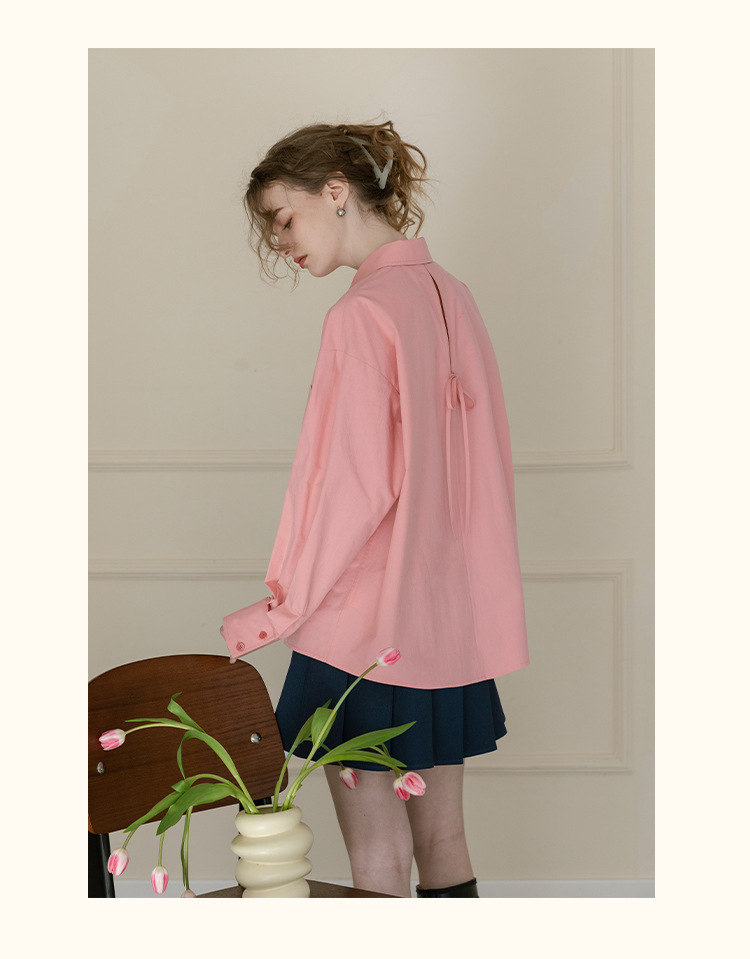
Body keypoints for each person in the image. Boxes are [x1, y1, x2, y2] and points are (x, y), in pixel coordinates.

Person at [221, 120, 529, 898]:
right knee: (446, 842)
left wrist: (280, 609)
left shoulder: (360, 315)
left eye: (284, 218)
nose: (281, 241)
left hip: (360, 633)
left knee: (378, 860)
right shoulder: (453, 296)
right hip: (445, 625)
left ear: (336, 192)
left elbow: (351, 488)